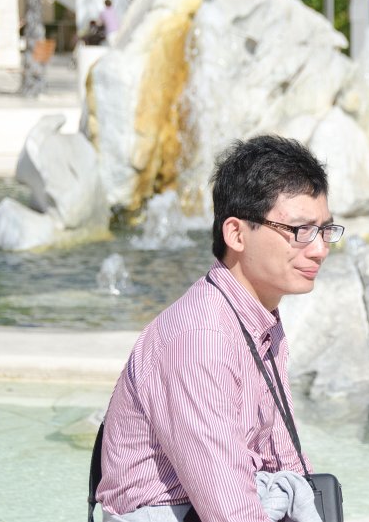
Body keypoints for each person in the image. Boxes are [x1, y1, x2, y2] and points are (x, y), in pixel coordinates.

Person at [96, 135, 345, 522]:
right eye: (300, 231)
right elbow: (230, 513)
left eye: (325, 230)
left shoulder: (259, 320)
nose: (318, 249)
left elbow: (286, 458)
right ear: (236, 234)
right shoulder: (200, 340)